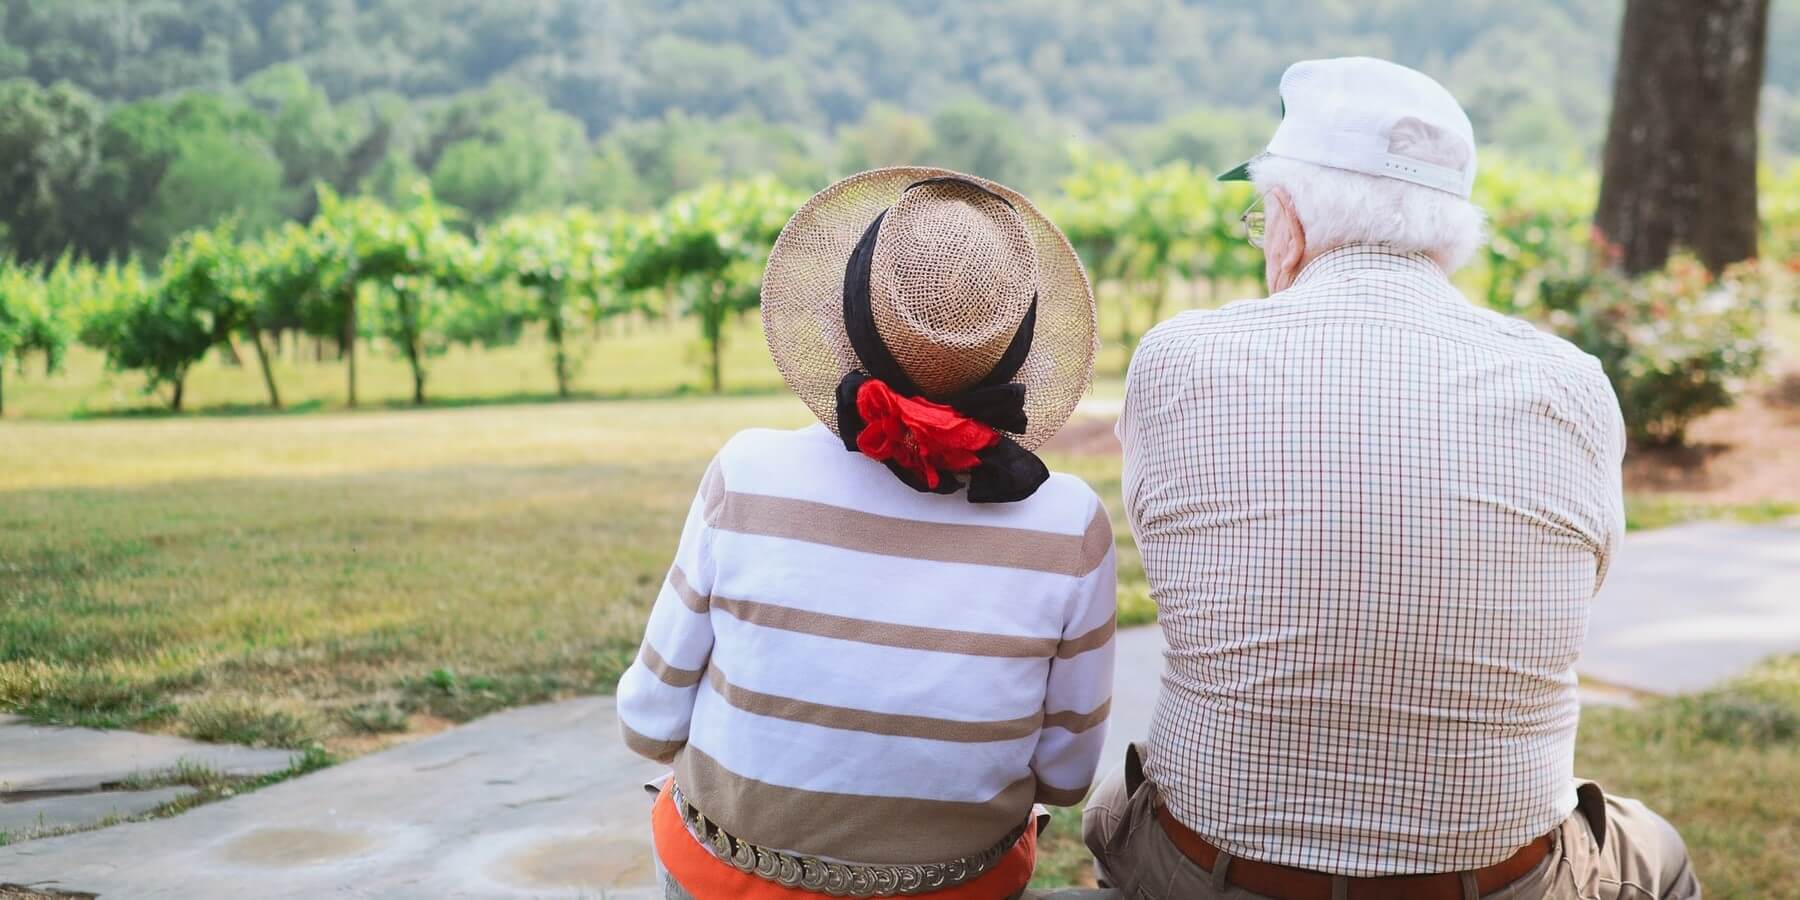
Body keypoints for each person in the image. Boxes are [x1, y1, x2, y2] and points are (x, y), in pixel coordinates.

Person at [1087, 58, 1700, 899]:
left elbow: (1175, 565)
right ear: (1450, 231)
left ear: (1290, 220)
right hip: (1500, 878)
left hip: (1220, 873)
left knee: (1119, 805)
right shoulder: (1573, 383)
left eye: (1259, 214)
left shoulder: (1178, 360)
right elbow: (1583, 582)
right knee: (1654, 847)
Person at [618, 167, 1118, 900]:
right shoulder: (1069, 524)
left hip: (729, 880)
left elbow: (649, 720)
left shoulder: (748, 472)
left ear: (844, 321)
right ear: (1017, 350)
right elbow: (1068, 779)